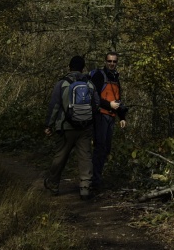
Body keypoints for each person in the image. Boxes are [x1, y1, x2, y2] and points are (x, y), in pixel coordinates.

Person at [44, 55, 96, 199]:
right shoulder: (89, 84)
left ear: (69, 67)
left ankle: (53, 185)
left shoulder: (62, 84)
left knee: (60, 156)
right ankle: (85, 187)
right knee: (85, 157)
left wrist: (49, 125)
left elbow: (54, 106)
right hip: (84, 128)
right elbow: (95, 105)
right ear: (83, 68)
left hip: (65, 127)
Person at [89, 51, 129, 186]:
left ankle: (96, 176)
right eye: (109, 61)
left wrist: (122, 117)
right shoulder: (100, 76)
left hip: (111, 116)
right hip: (100, 115)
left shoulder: (115, 77)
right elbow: (94, 97)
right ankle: (94, 180)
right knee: (100, 147)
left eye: (114, 61)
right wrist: (108, 105)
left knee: (106, 148)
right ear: (105, 61)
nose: (112, 63)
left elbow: (117, 99)